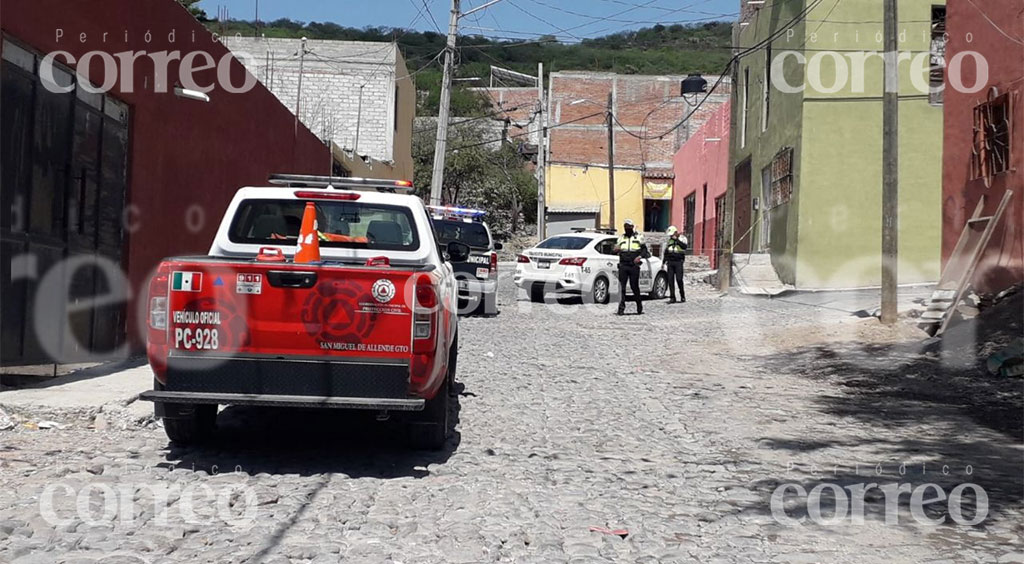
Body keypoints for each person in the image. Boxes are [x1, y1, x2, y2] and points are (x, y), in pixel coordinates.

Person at [614, 218, 649, 315]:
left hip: (633, 265)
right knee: (622, 288)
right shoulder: (621, 238)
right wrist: (616, 250)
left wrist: (640, 257)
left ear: (632, 227)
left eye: (628, 226)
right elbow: (614, 250)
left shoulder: (638, 237)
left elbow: (644, 250)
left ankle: (639, 306)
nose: (627, 228)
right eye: (625, 226)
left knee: (634, 287)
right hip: (623, 264)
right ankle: (621, 309)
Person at [663, 225, 687, 303]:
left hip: (678, 261)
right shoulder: (669, 241)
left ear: (676, 233)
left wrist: (676, 240)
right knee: (670, 280)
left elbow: (684, 247)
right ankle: (672, 297)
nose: (671, 236)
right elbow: (666, 251)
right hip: (670, 262)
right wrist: (663, 262)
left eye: (672, 234)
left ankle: (682, 295)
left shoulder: (682, 238)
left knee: (679, 279)